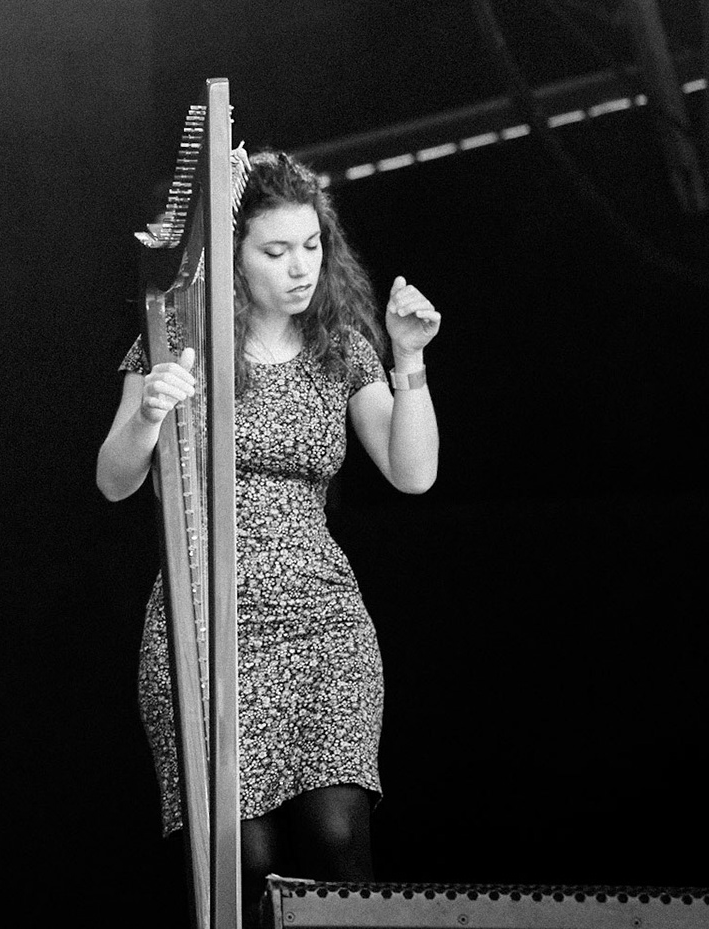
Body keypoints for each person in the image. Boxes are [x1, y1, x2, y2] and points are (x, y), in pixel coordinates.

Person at [95, 150, 439, 921]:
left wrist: (409, 358)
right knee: (242, 863)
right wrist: (150, 412)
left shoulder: (341, 348)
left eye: (311, 246)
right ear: (229, 258)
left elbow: (412, 472)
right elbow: (114, 481)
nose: (300, 268)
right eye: (275, 251)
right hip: (208, 623)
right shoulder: (172, 342)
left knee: (337, 834)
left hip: (323, 624)